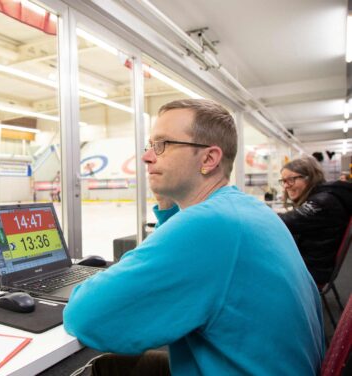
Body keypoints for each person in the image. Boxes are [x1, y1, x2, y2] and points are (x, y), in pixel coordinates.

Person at [63, 99, 324, 375]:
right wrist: (167, 206)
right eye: (150, 145)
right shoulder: (245, 208)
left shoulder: (209, 226)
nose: (147, 156)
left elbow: (86, 317)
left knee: (105, 368)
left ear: (209, 159)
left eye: (162, 145)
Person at [278, 156, 352, 285]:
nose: (285, 186)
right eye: (283, 181)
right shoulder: (325, 195)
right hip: (315, 262)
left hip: (313, 269)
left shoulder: (322, 202)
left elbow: (285, 223)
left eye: (290, 180)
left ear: (309, 177)